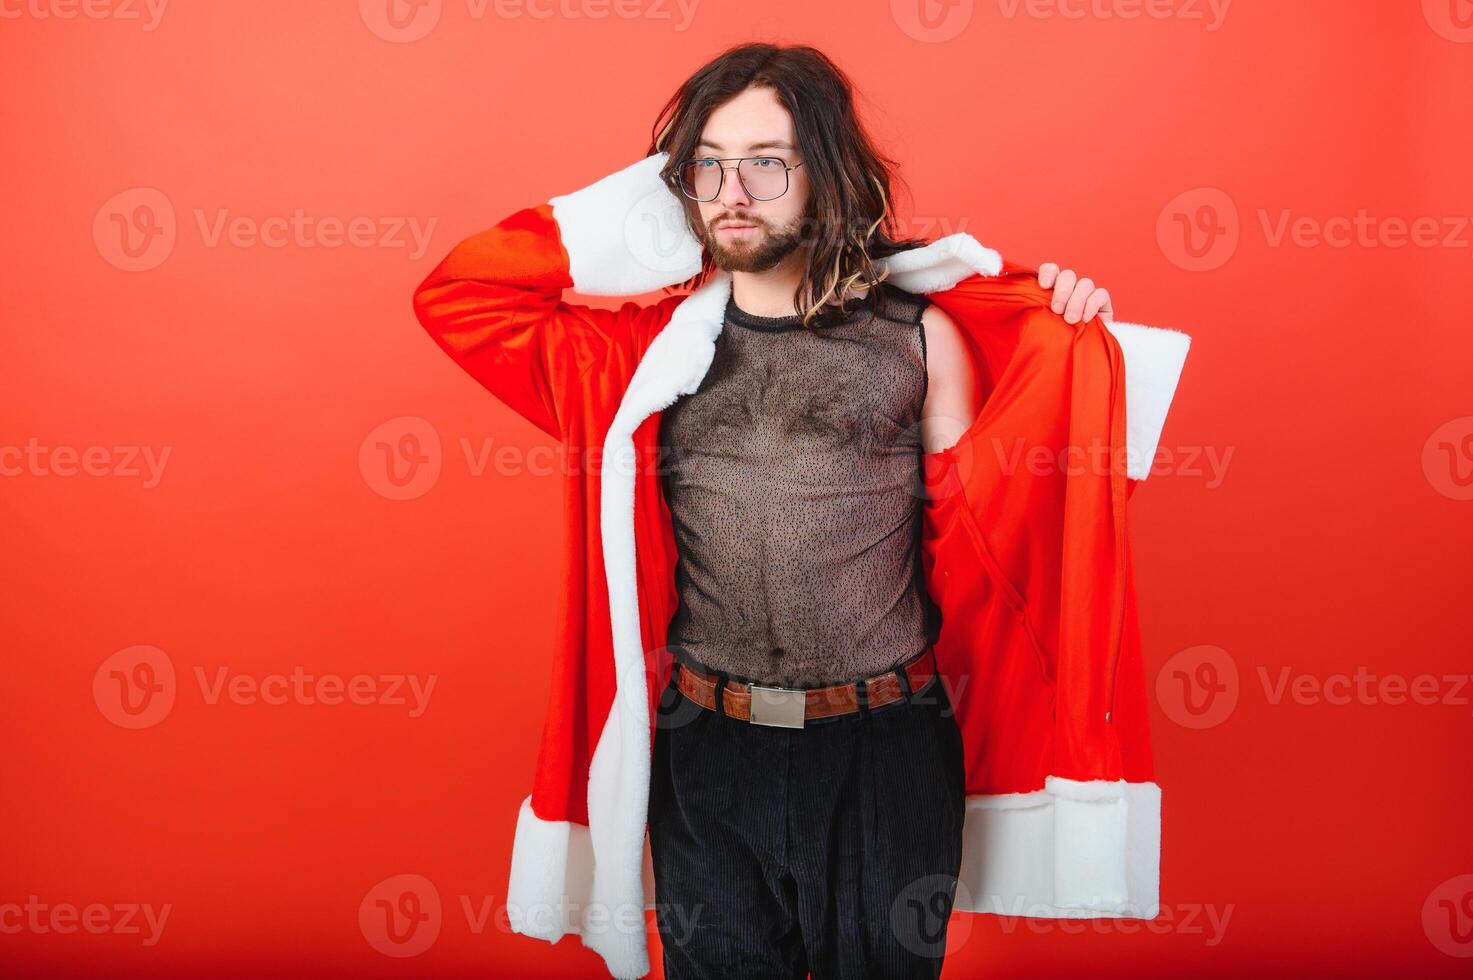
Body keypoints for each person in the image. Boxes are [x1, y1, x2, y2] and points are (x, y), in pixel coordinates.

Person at [413, 40, 1185, 980]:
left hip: (885, 757)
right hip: (706, 754)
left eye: (766, 162)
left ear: (825, 174)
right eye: (709, 164)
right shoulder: (634, 361)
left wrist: (1060, 324)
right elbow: (461, 293)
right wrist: (647, 204)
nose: (732, 190)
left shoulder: (918, 338)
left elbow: (1001, 530)